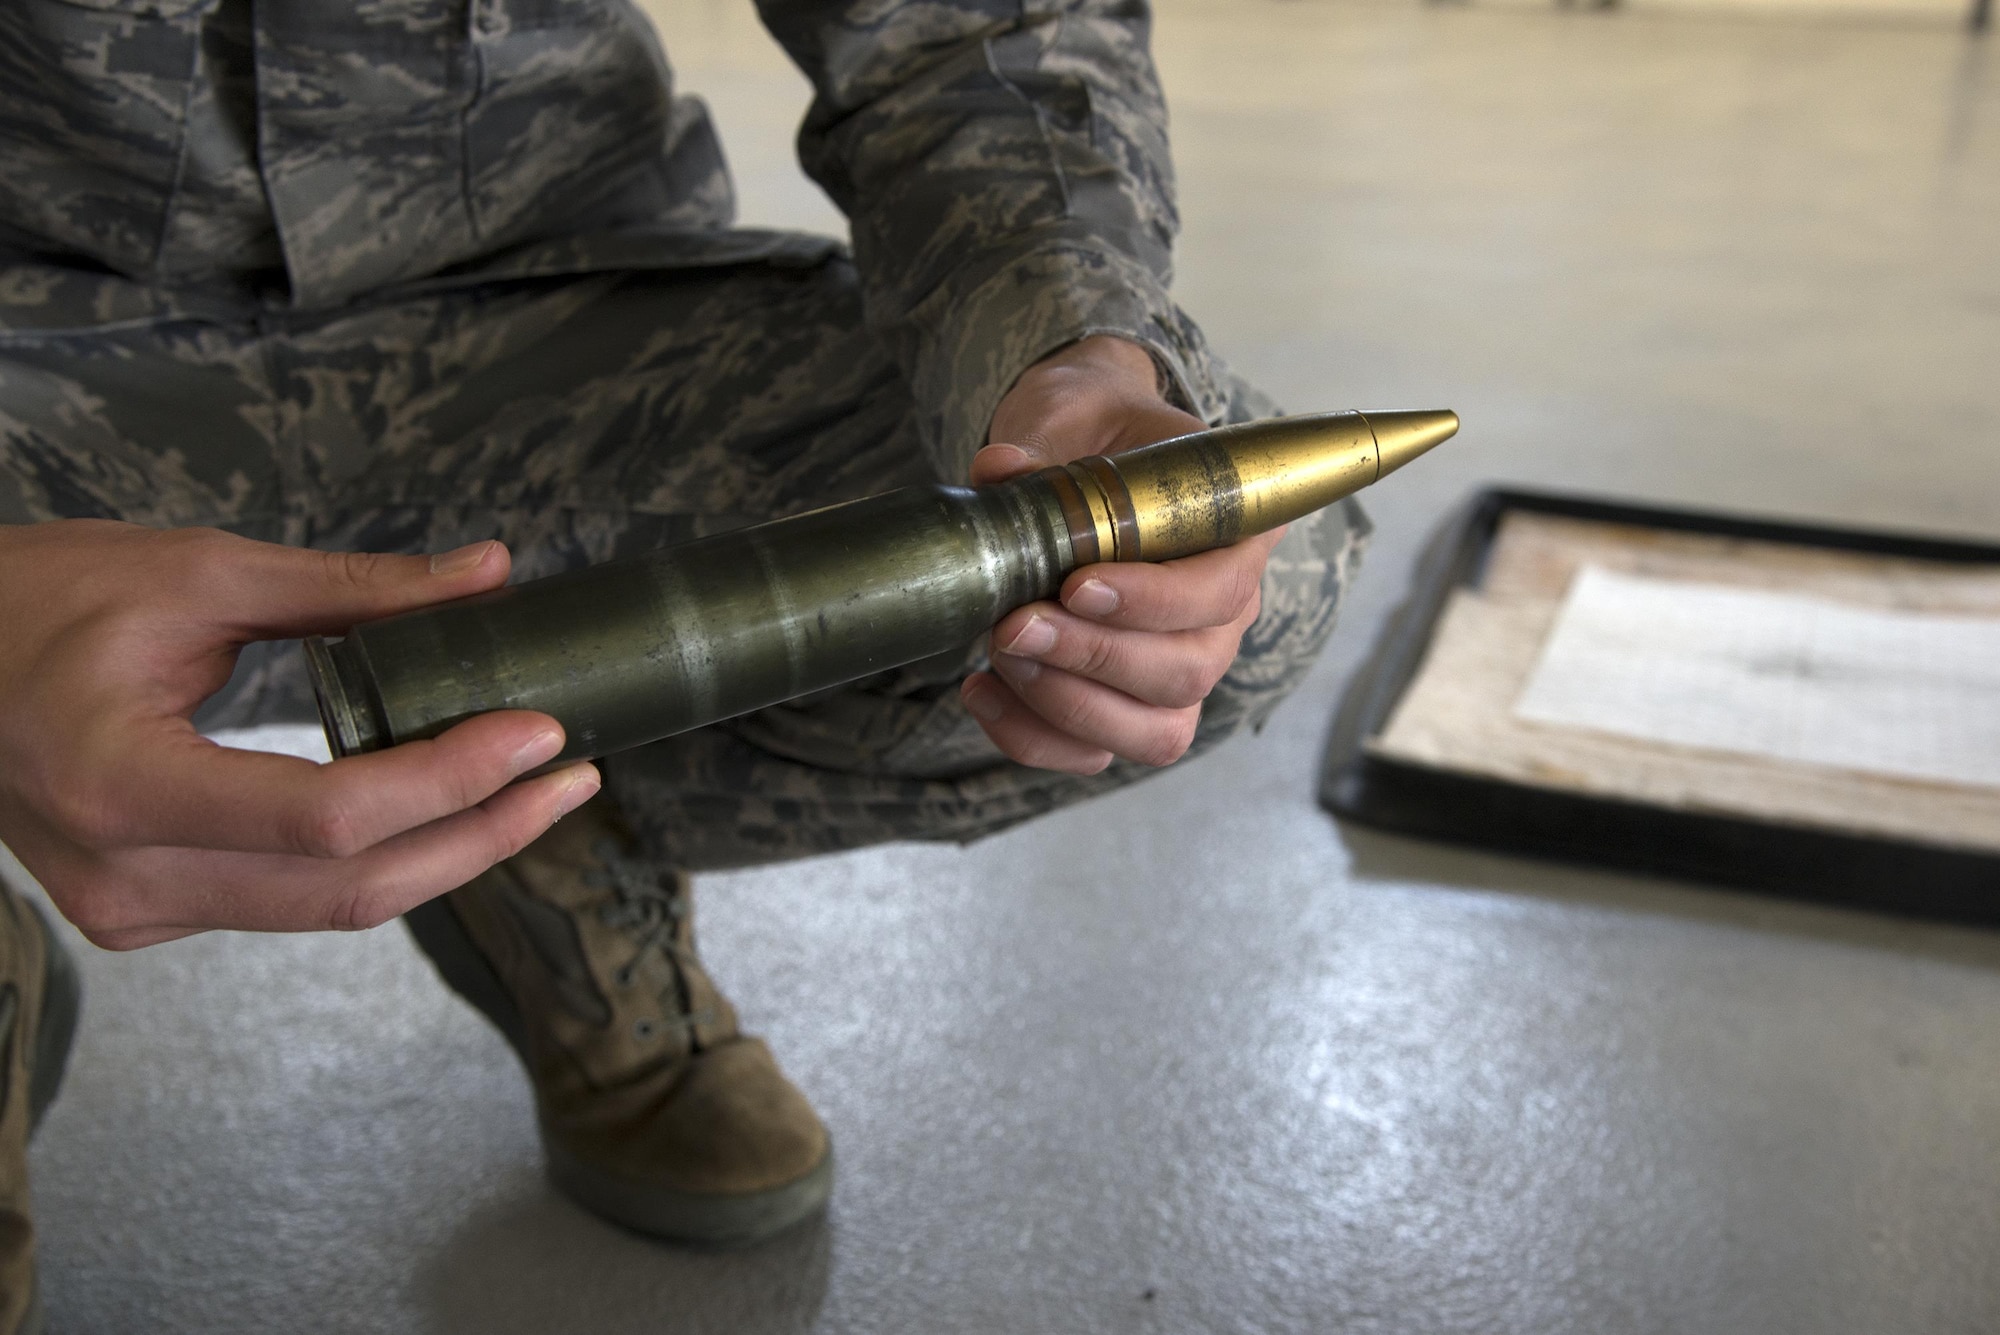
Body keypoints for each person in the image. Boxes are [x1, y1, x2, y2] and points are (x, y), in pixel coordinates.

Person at [0, 0, 1365, 1322]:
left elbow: (970, 32)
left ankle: (549, 813)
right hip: (38, 376)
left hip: (555, 318)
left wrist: (1068, 351)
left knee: (1231, 578)